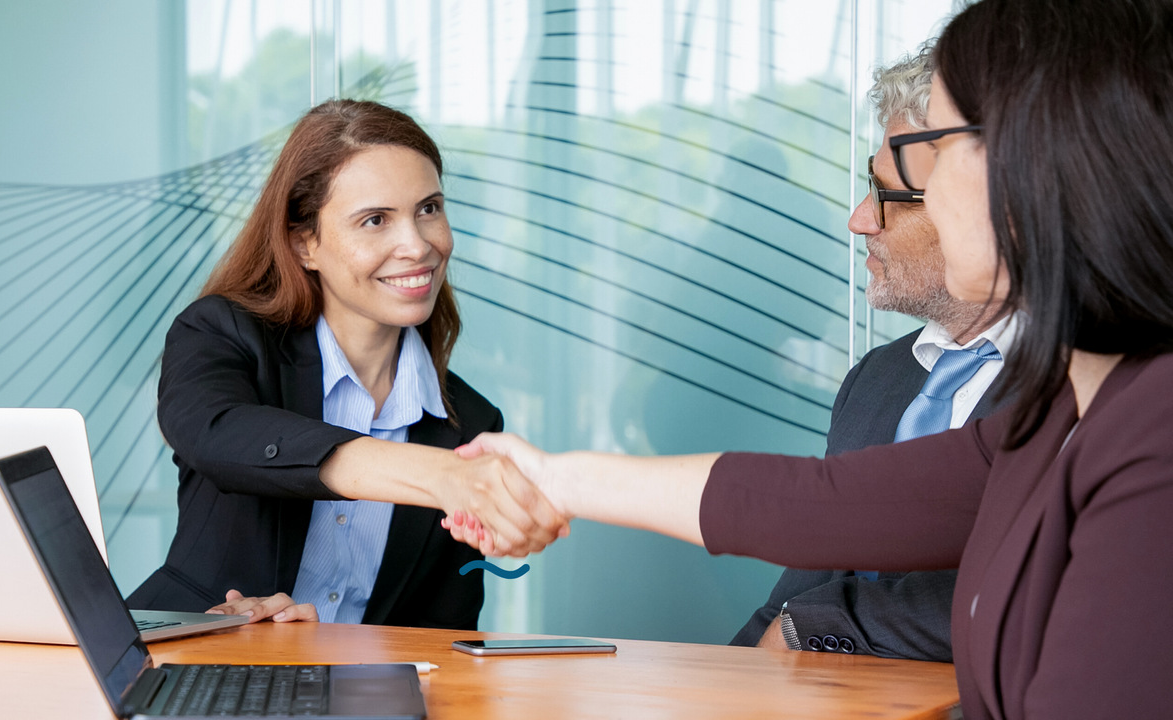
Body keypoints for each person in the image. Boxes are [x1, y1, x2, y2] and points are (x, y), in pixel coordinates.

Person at [446, 1, 1173, 717]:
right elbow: (825, 502)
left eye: (935, 150)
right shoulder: (1063, 413)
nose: (863, 213)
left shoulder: (1153, 426)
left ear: (1036, 163)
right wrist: (554, 480)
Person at [127, 100, 566, 629]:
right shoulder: (222, 334)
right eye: (376, 220)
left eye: (428, 208)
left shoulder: (470, 424)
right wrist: (438, 476)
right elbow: (215, 434)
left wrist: (332, 651)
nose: (418, 245)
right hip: (180, 671)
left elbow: (441, 640)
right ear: (303, 243)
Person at [736, 43, 1013, 661]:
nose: (861, 220)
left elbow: (1017, 601)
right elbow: (796, 596)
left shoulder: (1100, 383)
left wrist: (811, 626)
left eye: (886, 194)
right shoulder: (877, 379)